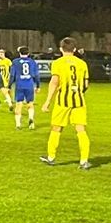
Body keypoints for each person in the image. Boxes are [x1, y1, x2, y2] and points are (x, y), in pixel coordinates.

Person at [40, 37, 92, 169]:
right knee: (81, 130)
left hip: (62, 101)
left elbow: (54, 83)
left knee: (56, 128)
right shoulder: (82, 64)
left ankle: (51, 157)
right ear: (74, 49)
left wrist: (47, 102)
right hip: (79, 101)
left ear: (61, 49)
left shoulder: (58, 63)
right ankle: (84, 160)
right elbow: (86, 85)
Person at [10, 46, 40, 129]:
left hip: (19, 85)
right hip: (29, 85)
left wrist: (9, 85)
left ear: (19, 53)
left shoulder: (15, 62)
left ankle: (18, 125)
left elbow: (12, 75)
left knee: (19, 104)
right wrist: (38, 85)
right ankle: (30, 119)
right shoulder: (32, 62)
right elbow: (36, 75)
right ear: (28, 53)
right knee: (30, 103)